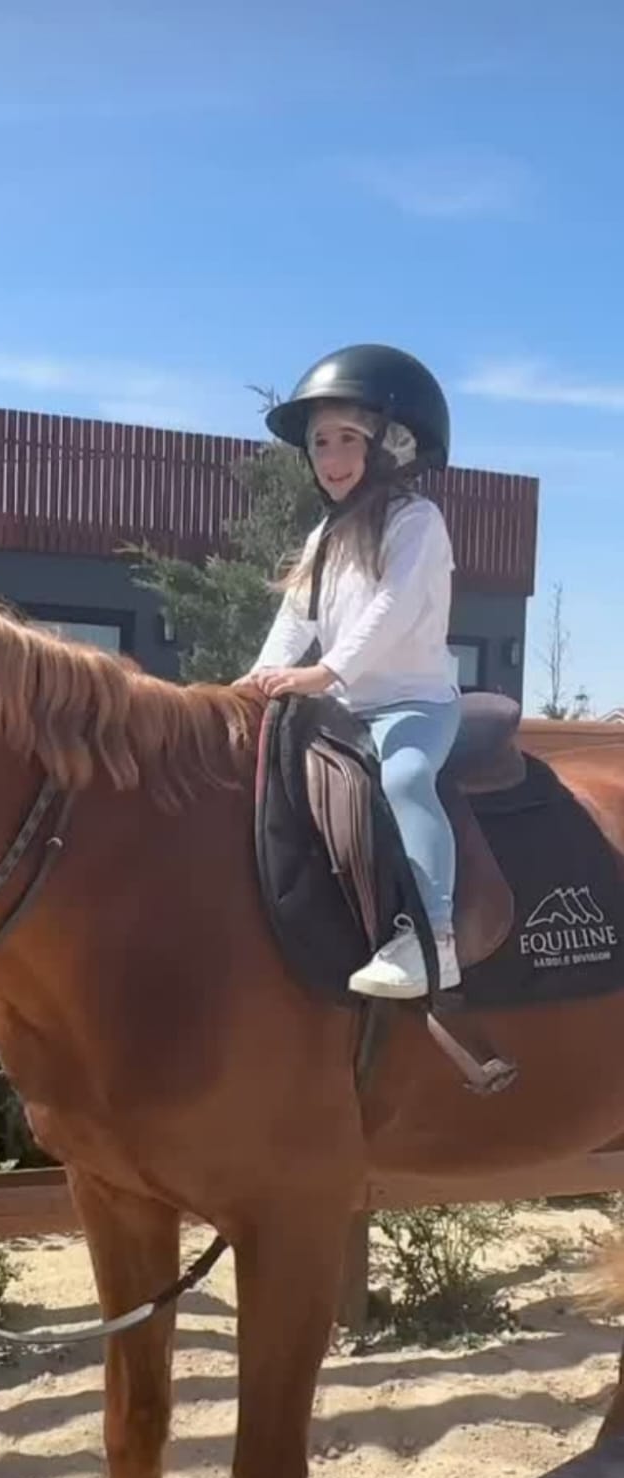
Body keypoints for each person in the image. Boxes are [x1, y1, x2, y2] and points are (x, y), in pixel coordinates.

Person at [238, 343, 461, 1000]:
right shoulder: (325, 536)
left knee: (407, 777)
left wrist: (326, 672)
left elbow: (392, 607)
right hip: (344, 709)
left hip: (414, 704)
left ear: (387, 446)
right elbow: (296, 616)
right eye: (318, 443)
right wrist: (256, 677)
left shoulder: (417, 522)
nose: (329, 457)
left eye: (346, 439)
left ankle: (436, 939)